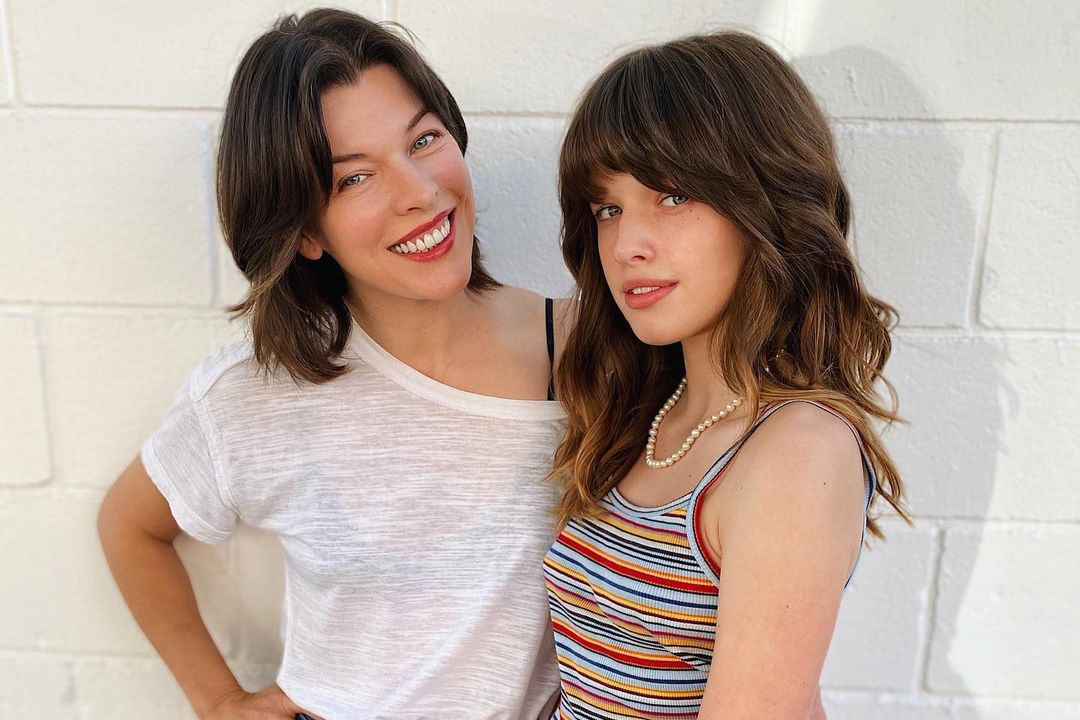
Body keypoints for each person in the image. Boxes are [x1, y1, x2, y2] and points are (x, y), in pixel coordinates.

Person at [97, 9, 569, 719]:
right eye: (354, 179)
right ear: (306, 232)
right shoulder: (256, 394)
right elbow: (128, 526)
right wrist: (217, 699)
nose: (419, 191)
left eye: (424, 140)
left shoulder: (588, 351)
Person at [544, 32, 909, 719]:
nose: (627, 245)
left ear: (761, 204)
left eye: (672, 196)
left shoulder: (797, 450)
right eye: (608, 209)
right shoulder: (651, 409)